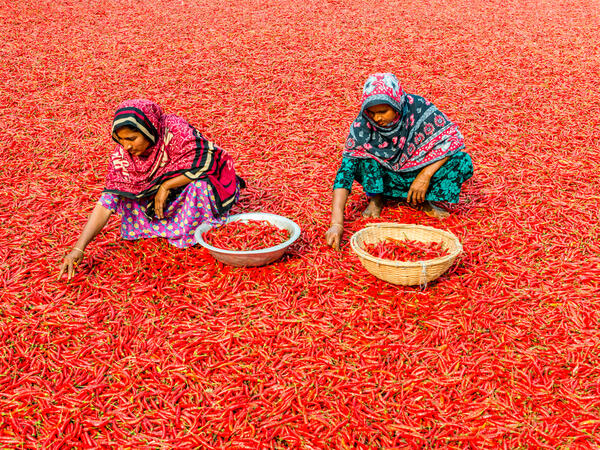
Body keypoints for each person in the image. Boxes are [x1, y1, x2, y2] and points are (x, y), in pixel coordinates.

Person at [58, 99, 243, 280]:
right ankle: (170, 225)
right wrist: (78, 248)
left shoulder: (174, 130)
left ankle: (188, 228)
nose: (127, 146)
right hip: (157, 197)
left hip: (183, 188)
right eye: (121, 140)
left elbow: (206, 161)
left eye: (132, 138)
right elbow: (107, 202)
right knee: (124, 192)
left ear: (149, 130)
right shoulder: (123, 154)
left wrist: (166, 185)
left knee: (200, 186)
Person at [325, 73, 473, 250]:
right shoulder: (363, 124)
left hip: (417, 173)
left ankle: (425, 200)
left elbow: (452, 141)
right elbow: (345, 172)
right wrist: (336, 224)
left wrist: (424, 176)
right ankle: (376, 199)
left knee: (461, 161)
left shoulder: (417, 109)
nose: (377, 118)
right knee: (357, 160)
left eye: (382, 112)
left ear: (396, 104)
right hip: (387, 177)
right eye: (371, 112)